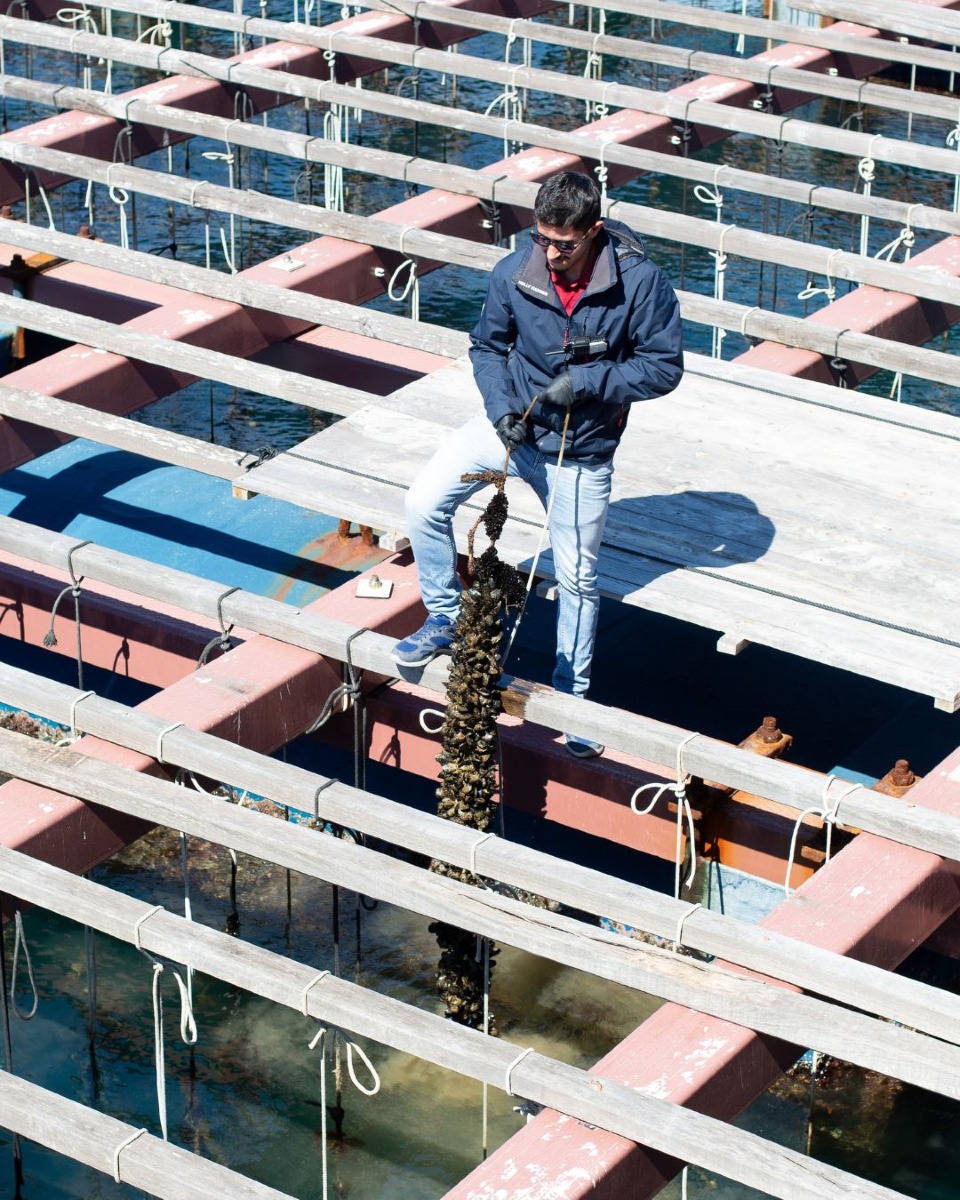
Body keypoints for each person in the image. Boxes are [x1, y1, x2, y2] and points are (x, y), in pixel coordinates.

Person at [393, 169, 684, 758]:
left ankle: (571, 697)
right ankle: (444, 615)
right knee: (421, 502)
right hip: (512, 430)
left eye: (565, 244)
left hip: (581, 450)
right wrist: (501, 410)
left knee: (577, 578)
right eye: (541, 237)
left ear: (594, 232)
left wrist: (587, 382)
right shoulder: (514, 271)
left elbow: (663, 367)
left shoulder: (643, 284)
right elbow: (486, 347)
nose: (550, 253)